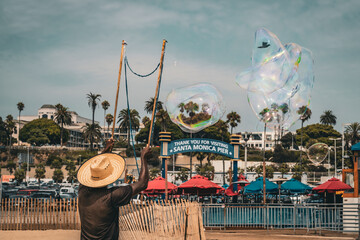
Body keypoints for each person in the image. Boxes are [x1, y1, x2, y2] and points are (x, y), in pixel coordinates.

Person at [77, 145, 151, 240]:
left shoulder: (82, 191)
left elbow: (98, 167)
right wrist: (143, 158)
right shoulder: (111, 196)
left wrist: (105, 151)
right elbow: (142, 184)